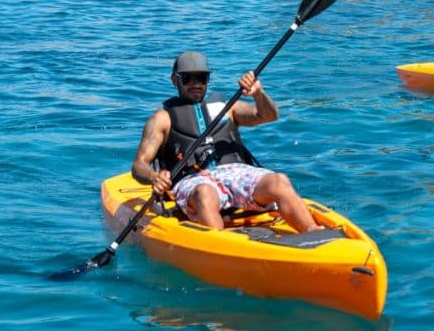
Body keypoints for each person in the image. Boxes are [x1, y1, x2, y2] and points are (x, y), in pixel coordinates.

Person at [131, 51, 321, 233]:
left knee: (279, 181)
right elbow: (139, 165)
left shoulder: (228, 108)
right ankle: (222, 245)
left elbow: (268, 116)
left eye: (202, 78)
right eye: (188, 78)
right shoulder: (162, 119)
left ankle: (314, 233)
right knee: (205, 194)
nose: (196, 84)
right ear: (175, 80)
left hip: (237, 173)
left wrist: (258, 93)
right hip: (194, 181)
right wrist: (154, 177)